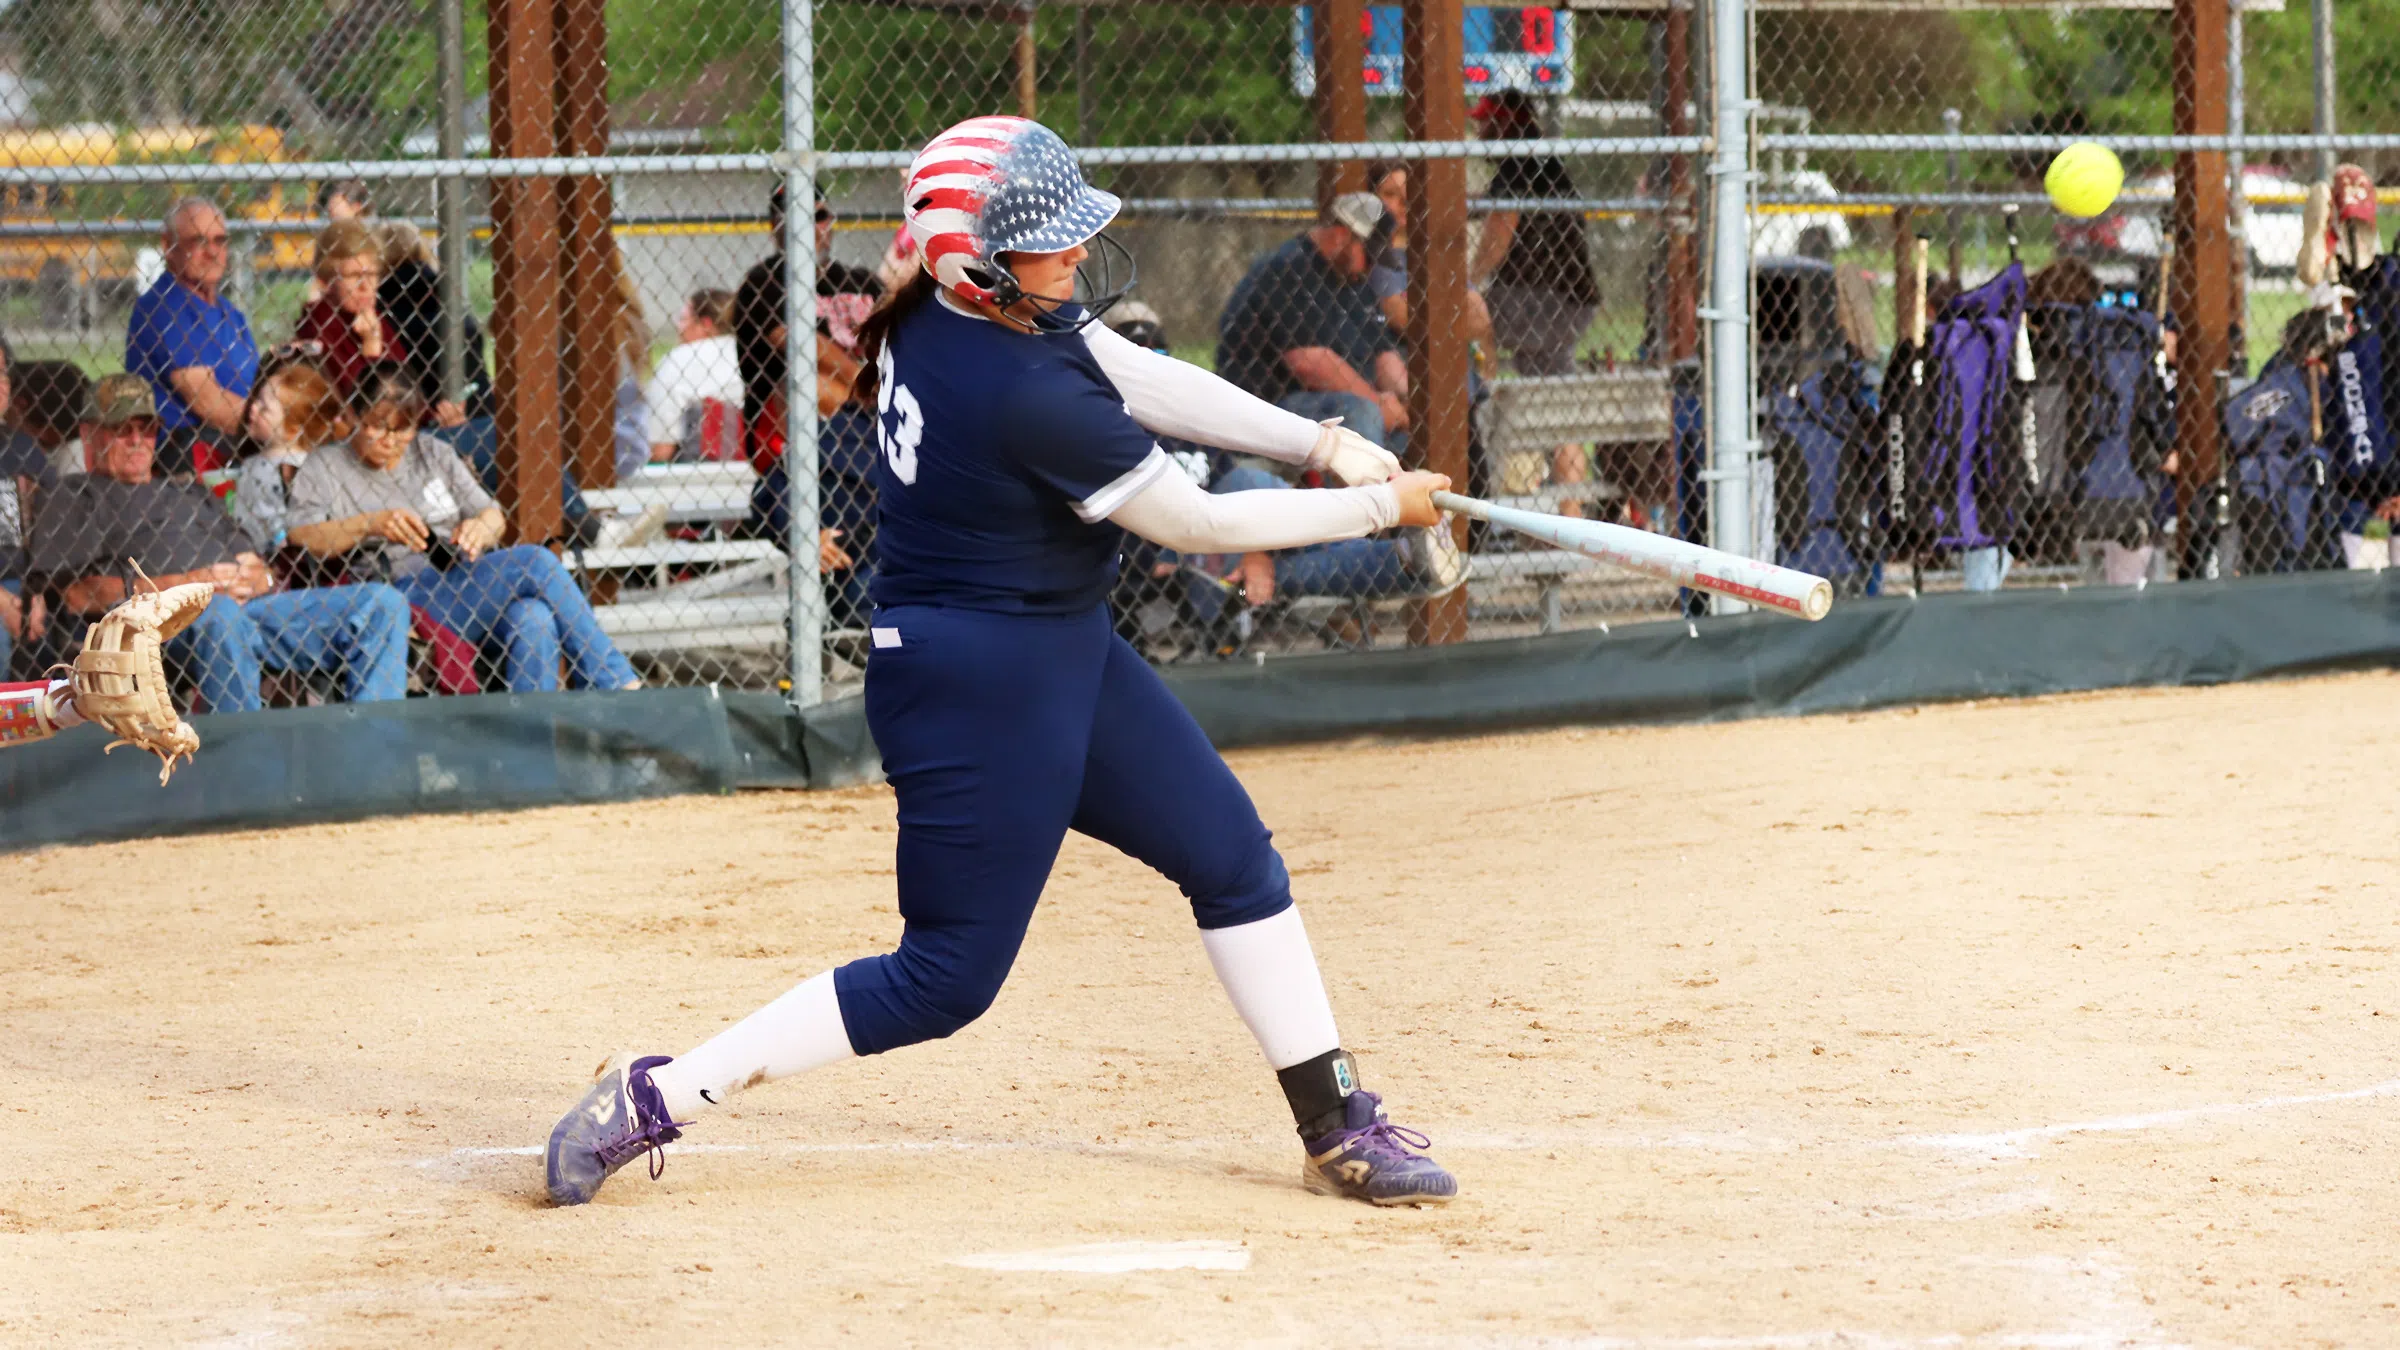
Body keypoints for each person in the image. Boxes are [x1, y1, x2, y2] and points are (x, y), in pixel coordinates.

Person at [542, 115, 1457, 1212]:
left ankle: (1337, 1125)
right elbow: (1190, 522)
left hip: (1058, 644)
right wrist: (1370, 505)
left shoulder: (952, 315)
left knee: (1232, 857)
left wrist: (1321, 442)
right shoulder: (1018, 389)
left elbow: (1136, 371)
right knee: (945, 979)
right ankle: (659, 1096)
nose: (1074, 258)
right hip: (973, 683)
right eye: (1048, 242)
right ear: (975, 263)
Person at [24, 374, 410, 711]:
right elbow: (78, 595)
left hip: (249, 611)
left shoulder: (190, 492)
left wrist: (259, 579)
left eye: (149, 428)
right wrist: (191, 588)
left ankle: (375, 759)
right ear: (90, 433)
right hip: (160, 626)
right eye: (124, 429)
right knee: (220, 614)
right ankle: (245, 773)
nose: (139, 441)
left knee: (383, 605)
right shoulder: (74, 494)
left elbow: (255, 563)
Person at [285, 367, 640, 693]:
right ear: (353, 415)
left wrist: (479, 530)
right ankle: (615, 682)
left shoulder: (433, 452)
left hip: (463, 578)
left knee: (535, 619)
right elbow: (302, 534)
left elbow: (494, 516)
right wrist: (369, 525)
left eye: (403, 427)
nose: (390, 440)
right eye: (378, 425)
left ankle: (531, 748)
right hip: (402, 594)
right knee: (536, 561)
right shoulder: (327, 465)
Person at [736, 185, 883, 629]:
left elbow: (901, 337)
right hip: (787, 427)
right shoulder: (762, 283)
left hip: (863, 427)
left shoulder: (862, 280)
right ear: (774, 228)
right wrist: (871, 384)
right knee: (807, 375)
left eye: (818, 216)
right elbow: (796, 345)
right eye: (794, 217)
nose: (810, 227)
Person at [1470, 92, 1603, 507]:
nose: (1479, 130)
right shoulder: (1544, 161)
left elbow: (1502, 229)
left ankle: (1482, 398)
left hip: (1536, 300)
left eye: (1486, 121)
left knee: (1470, 311)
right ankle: (1571, 511)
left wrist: (1469, 280)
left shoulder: (1516, 163)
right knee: (1555, 403)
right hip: (1571, 301)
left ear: (1506, 122)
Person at [1216, 193, 1411, 453]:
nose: (1371, 267)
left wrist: (1410, 400)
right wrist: (1378, 403)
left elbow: (1382, 354)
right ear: (1342, 234)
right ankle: (1366, 494)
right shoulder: (1287, 269)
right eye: (1369, 256)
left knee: (1404, 423)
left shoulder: (1354, 281)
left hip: (1337, 404)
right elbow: (1312, 364)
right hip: (1270, 408)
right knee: (1360, 412)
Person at [126, 198, 260, 467]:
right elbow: (210, 405)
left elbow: (257, 386)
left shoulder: (231, 314)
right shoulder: (163, 308)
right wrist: (284, 425)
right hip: (189, 459)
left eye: (220, 241)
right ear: (168, 246)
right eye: (198, 242)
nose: (212, 252)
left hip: (238, 447)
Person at [228, 360, 350, 554]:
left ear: (293, 430)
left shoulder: (302, 469)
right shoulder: (254, 462)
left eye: (264, 408)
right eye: (257, 399)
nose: (253, 407)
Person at [295, 220, 401, 400]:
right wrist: (372, 345)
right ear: (326, 281)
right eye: (354, 276)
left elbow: (410, 389)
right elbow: (365, 407)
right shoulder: (319, 329)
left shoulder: (372, 317)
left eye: (372, 274)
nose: (365, 286)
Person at [0, 345, 54, 678]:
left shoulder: (22, 449)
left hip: (23, 582)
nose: (1, 382)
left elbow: (56, 526)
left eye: (3, 372)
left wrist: (38, 589)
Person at [642, 287, 742, 463]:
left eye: (683, 320)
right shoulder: (751, 354)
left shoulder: (679, 359)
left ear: (705, 325)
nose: (678, 328)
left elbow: (660, 448)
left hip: (695, 472)